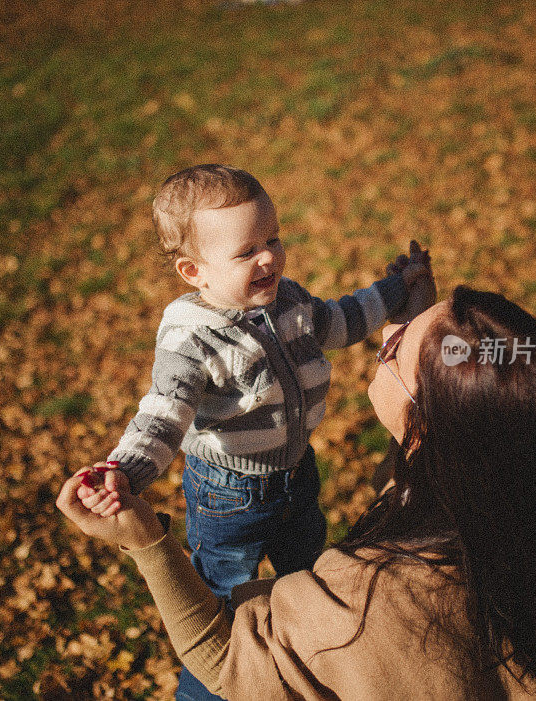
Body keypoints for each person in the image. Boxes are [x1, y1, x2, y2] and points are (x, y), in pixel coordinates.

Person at [59, 282, 536, 700]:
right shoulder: (533, 503)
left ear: (426, 425)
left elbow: (225, 658)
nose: (387, 336)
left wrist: (146, 541)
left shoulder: (369, 600)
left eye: (397, 349)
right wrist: (418, 307)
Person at [76, 164, 431, 698]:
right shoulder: (190, 337)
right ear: (194, 272)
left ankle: (317, 673)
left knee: (310, 584)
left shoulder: (286, 300)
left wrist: (396, 290)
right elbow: (163, 413)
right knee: (225, 611)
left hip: (295, 475)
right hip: (228, 496)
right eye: (247, 252)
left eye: (272, 239)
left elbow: (340, 319)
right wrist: (123, 472)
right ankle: (209, 693)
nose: (268, 256)